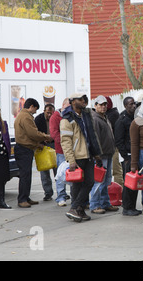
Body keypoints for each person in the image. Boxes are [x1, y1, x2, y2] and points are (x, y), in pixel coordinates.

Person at [60, 93, 103, 223]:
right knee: (77, 185)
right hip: (77, 156)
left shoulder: (86, 115)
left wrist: (97, 154)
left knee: (89, 182)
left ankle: (78, 209)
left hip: (88, 154)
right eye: (80, 99)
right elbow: (65, 141)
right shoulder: (67, 119)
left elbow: (92, 136)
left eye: (84, 99)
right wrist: (71, 160)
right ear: (73, 102)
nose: (83, 101)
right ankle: (76, 208)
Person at [14, 98, 52, 208]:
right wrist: (46, 137)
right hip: (23, 149)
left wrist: (37, 144)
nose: (35, 112)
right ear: (31, 106)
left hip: (26, 148)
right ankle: (22, 200)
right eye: (35, 109)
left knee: (27, 175)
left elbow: (27, 135)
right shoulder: (26, 117)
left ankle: (26, 197)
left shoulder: (23, 115)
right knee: (25, 175)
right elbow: (32, 133)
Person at [90, 95, 118, 214]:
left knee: (106, 181)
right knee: (98, 181)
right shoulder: (96, 119)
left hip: (108, 153)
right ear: (95, 105)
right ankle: (95, 205)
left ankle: (105, 203)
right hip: (101, 156)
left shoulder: (104, 117)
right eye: (100, 105)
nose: (103, 107)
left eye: (105, 104)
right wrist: (97, 156)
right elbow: (95, 139)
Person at [115, 96, 141, 216]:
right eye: (130, 104)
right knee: (128, 182)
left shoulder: (136, 118)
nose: (133, 106)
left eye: (134, 103)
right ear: (125, 106)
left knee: (135, 182)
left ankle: (132, 207)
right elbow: (119, 141)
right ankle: (127, 207)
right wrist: (125, 157)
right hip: (128, 156)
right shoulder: (121, 120)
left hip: (136, 154)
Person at [49, 97, 71, 206]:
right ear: (63, 105)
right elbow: (54, 133)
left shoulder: (71, 116)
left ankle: (72, 195)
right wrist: (65, 143)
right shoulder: (55, 117)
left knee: (73, 174)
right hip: (61, 151)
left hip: (71, 150)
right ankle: (61, 197)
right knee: (61, 175)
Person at [34, 103, 56, 201]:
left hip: (54, 144)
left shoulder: (56, 118)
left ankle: (61, 193)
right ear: (44, 111)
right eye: (48, 113)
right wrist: (43, 140)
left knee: (58, 170)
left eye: (51, 113)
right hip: (42, 145)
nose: (50, 115)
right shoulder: (38, 119)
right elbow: (35, 133)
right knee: (44, 171)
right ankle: (48, 193)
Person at [105, 96, 123, 186]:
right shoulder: (110, 114)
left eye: (105, 104)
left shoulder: (113, 115)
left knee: (116, 170)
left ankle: (119, 190)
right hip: (109, 147)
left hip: (114, 146)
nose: (103, 106)